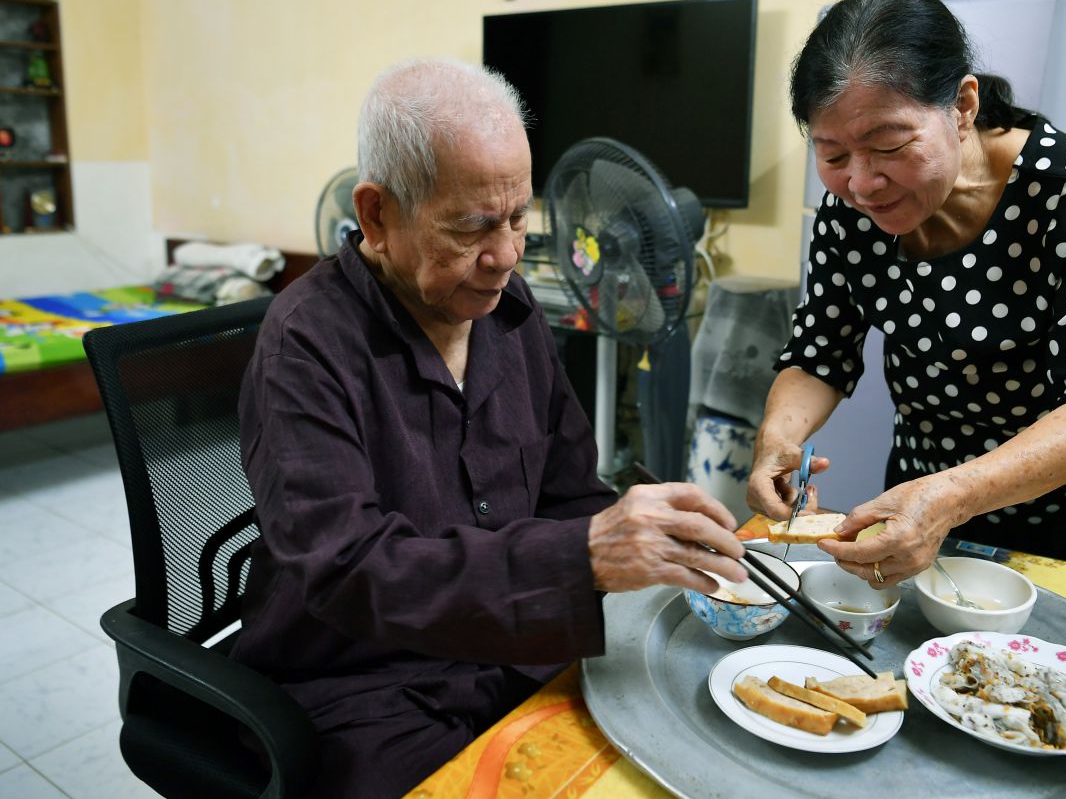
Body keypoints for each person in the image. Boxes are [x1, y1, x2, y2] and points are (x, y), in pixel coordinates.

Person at [231, 57, 746, 799]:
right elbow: (350, 571)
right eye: (472, 226)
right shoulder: (307, 342)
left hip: (517, 643)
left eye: (517, 216)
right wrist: (579, 557)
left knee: (670, 751)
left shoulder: (510, 310)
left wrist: (648, 537)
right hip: (366, 682)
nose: (505, 254)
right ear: (376, 215)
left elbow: (571, 489)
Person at [747, 0, 1066, 584]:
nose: (864, 183)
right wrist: (778, 437)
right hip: (931, 481)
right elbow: (820, 355)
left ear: (963, 105)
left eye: (889, 146)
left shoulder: (1065, 187)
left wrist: (952, 495)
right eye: (833, 155)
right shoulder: (848, 214)